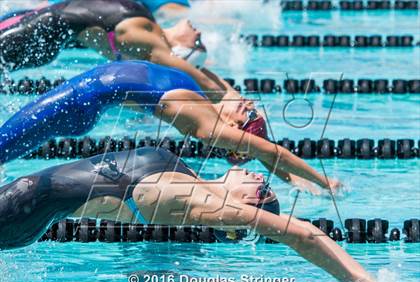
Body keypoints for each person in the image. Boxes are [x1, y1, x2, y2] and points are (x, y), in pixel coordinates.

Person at [0, 146, 378, 282]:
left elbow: (304, 235)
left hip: (22, 210)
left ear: (240, 215)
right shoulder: (189, 176)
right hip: (22, 197)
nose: (261, 181)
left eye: (263, 195)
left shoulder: (201, 204)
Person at [0, 60, 340, 194]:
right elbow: (263, 149)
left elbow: (271, 151)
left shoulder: (207, 124)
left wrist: (324, 182)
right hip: (78, 94)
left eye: (250, 117)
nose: (250, 106)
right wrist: (292, 179)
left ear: (236, 133)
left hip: (76, 103)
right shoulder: (210, 99)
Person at [0, 0, 227, 101]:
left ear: (179, 51)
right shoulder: (146, 25)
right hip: (31, 23)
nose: (199, 35)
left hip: (33, 32)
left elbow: (205, 84)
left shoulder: (141, 39)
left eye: (197, 45)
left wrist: (233, 103)